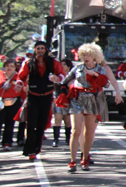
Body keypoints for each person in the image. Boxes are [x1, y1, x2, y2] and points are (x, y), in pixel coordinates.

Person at [14, 41, 67, 160]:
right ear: (34, 50)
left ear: (46, 50)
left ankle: (37, 148)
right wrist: (19, 84)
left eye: (42, 48)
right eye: (38, 48)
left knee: (41, 124)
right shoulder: (28, 63)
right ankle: (30, 150)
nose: (40, 50)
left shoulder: (53, 62)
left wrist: (57, 78)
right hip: (33, 95)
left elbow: (62, 75)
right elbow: (21, 77)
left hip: (47, 95)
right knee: (31, 123)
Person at [61, 44, 110, 172]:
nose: (86, 57)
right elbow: (64, 81)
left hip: (92, 100)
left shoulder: (100, 69)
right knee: (75, 131)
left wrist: (96, 75)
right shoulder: (77, 68)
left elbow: (106, 84)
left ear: (95, 56)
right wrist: (61, 89)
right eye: (84, 55)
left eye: (88, 55)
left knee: (89, 133)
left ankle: (85, 159)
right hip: (77, 100)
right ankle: (72, 161)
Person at [1, 59, 26, 151]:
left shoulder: (18, 77)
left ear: (15, 67)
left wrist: (24, 102)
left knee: (10, 123)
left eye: (11, 66)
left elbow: (23, 90)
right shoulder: (0, 75)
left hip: (14, 102)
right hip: (1, 102)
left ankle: (7, 142)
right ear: (4, 66)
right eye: (7, 66)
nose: (9, 68)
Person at [51, 58, 74, 147]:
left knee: (68, 121)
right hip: (58, 99)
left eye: (64, 64)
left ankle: (68, 139)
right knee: (57, 120)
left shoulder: (72, 75)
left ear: (68, 66)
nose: (62, 66)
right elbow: (53, 87)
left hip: (69, 100)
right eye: (61, 64)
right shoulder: (56, 75)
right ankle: (55, 139)